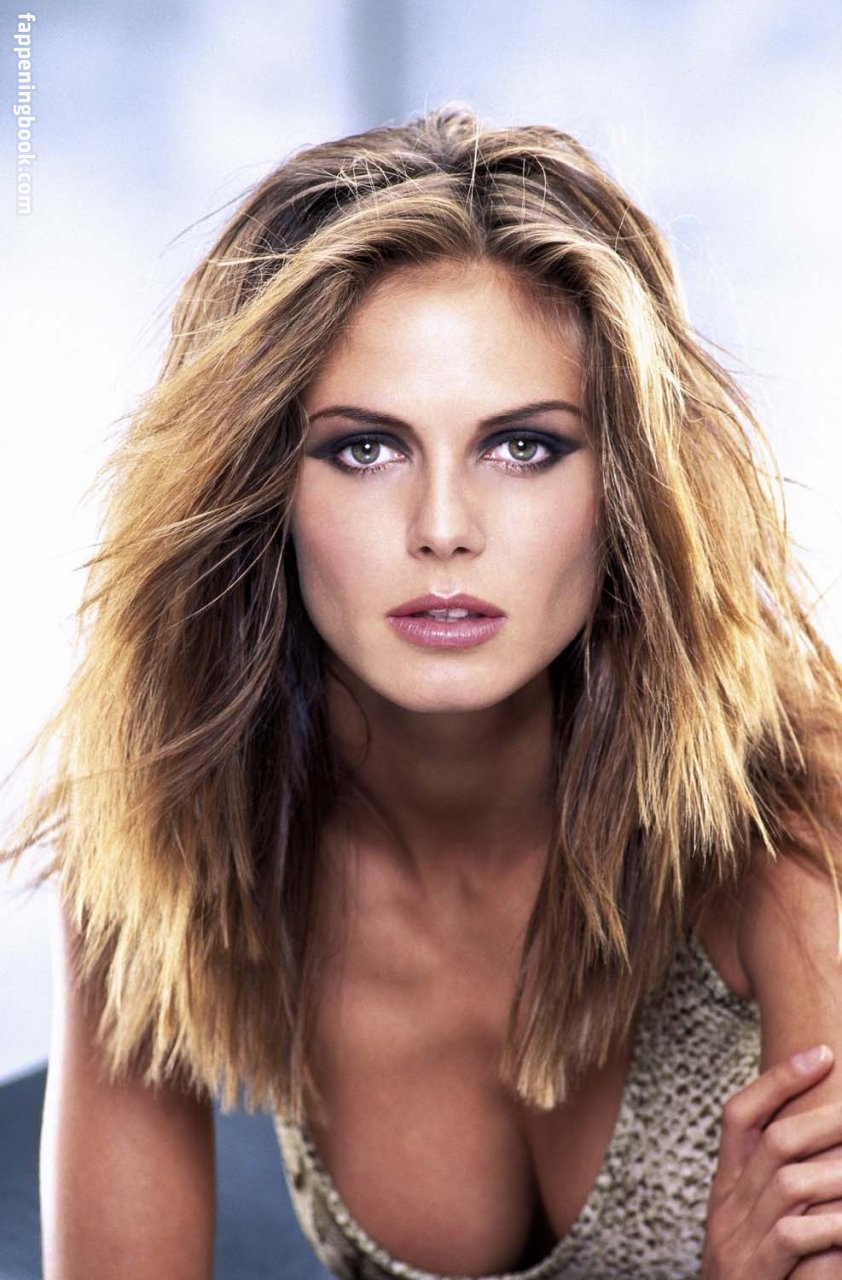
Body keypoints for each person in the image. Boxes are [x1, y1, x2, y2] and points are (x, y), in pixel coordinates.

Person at [5, 104, 842, 1280]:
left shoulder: (788, 816)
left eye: (522, 445)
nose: (442, 527)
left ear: (623, 485)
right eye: (364, 447)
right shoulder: (162, 835)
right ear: (260, 485)